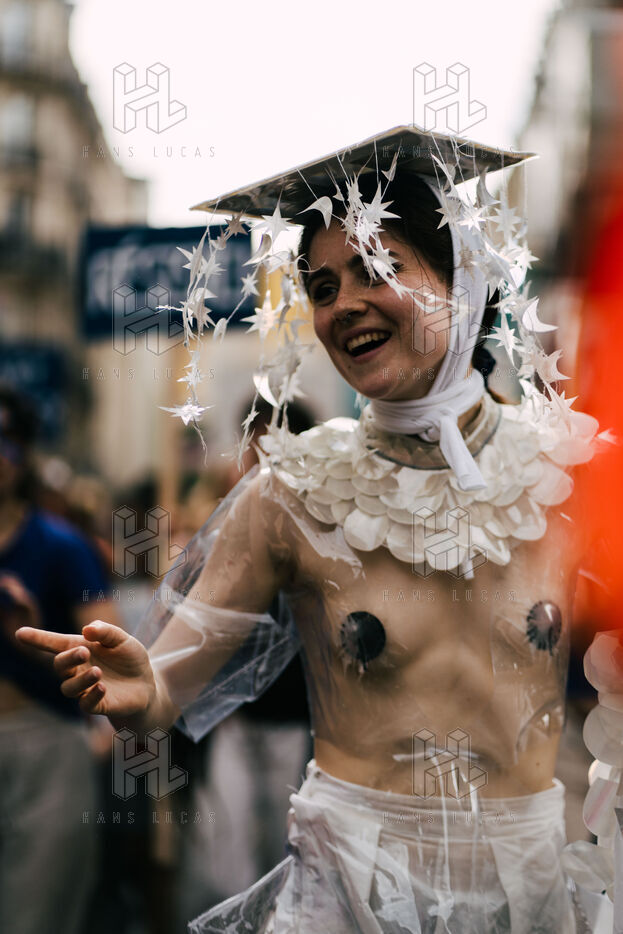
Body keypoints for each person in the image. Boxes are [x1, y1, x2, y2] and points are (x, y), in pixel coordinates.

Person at [16, 126, 616, 932]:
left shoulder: (567, 468)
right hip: (346, 892)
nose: (343, 305)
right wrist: (139, 691)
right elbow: (164, 685)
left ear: (461, 280)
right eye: (323, 286)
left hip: (526, 892)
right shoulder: (293, 489)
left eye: (376, 269)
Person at [0, 385, 119, 934]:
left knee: (36, 914)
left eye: (6, 439)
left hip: (46, 743)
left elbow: (112, 662)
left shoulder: (62, 546)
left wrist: (29, 636)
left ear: (25, 451)